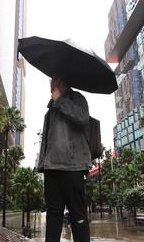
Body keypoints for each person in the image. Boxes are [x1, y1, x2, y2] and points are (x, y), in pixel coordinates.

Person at [37, 76, 91, 242]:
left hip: (72, 167)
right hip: (51, 168)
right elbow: (47, 140)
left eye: (54, 79)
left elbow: (82, 118)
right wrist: (43, 165)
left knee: (78, 214)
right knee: (53, 215)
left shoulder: (77, 98)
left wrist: (59, 99)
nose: (50, 82)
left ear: (61, 82)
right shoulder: (51, 108)